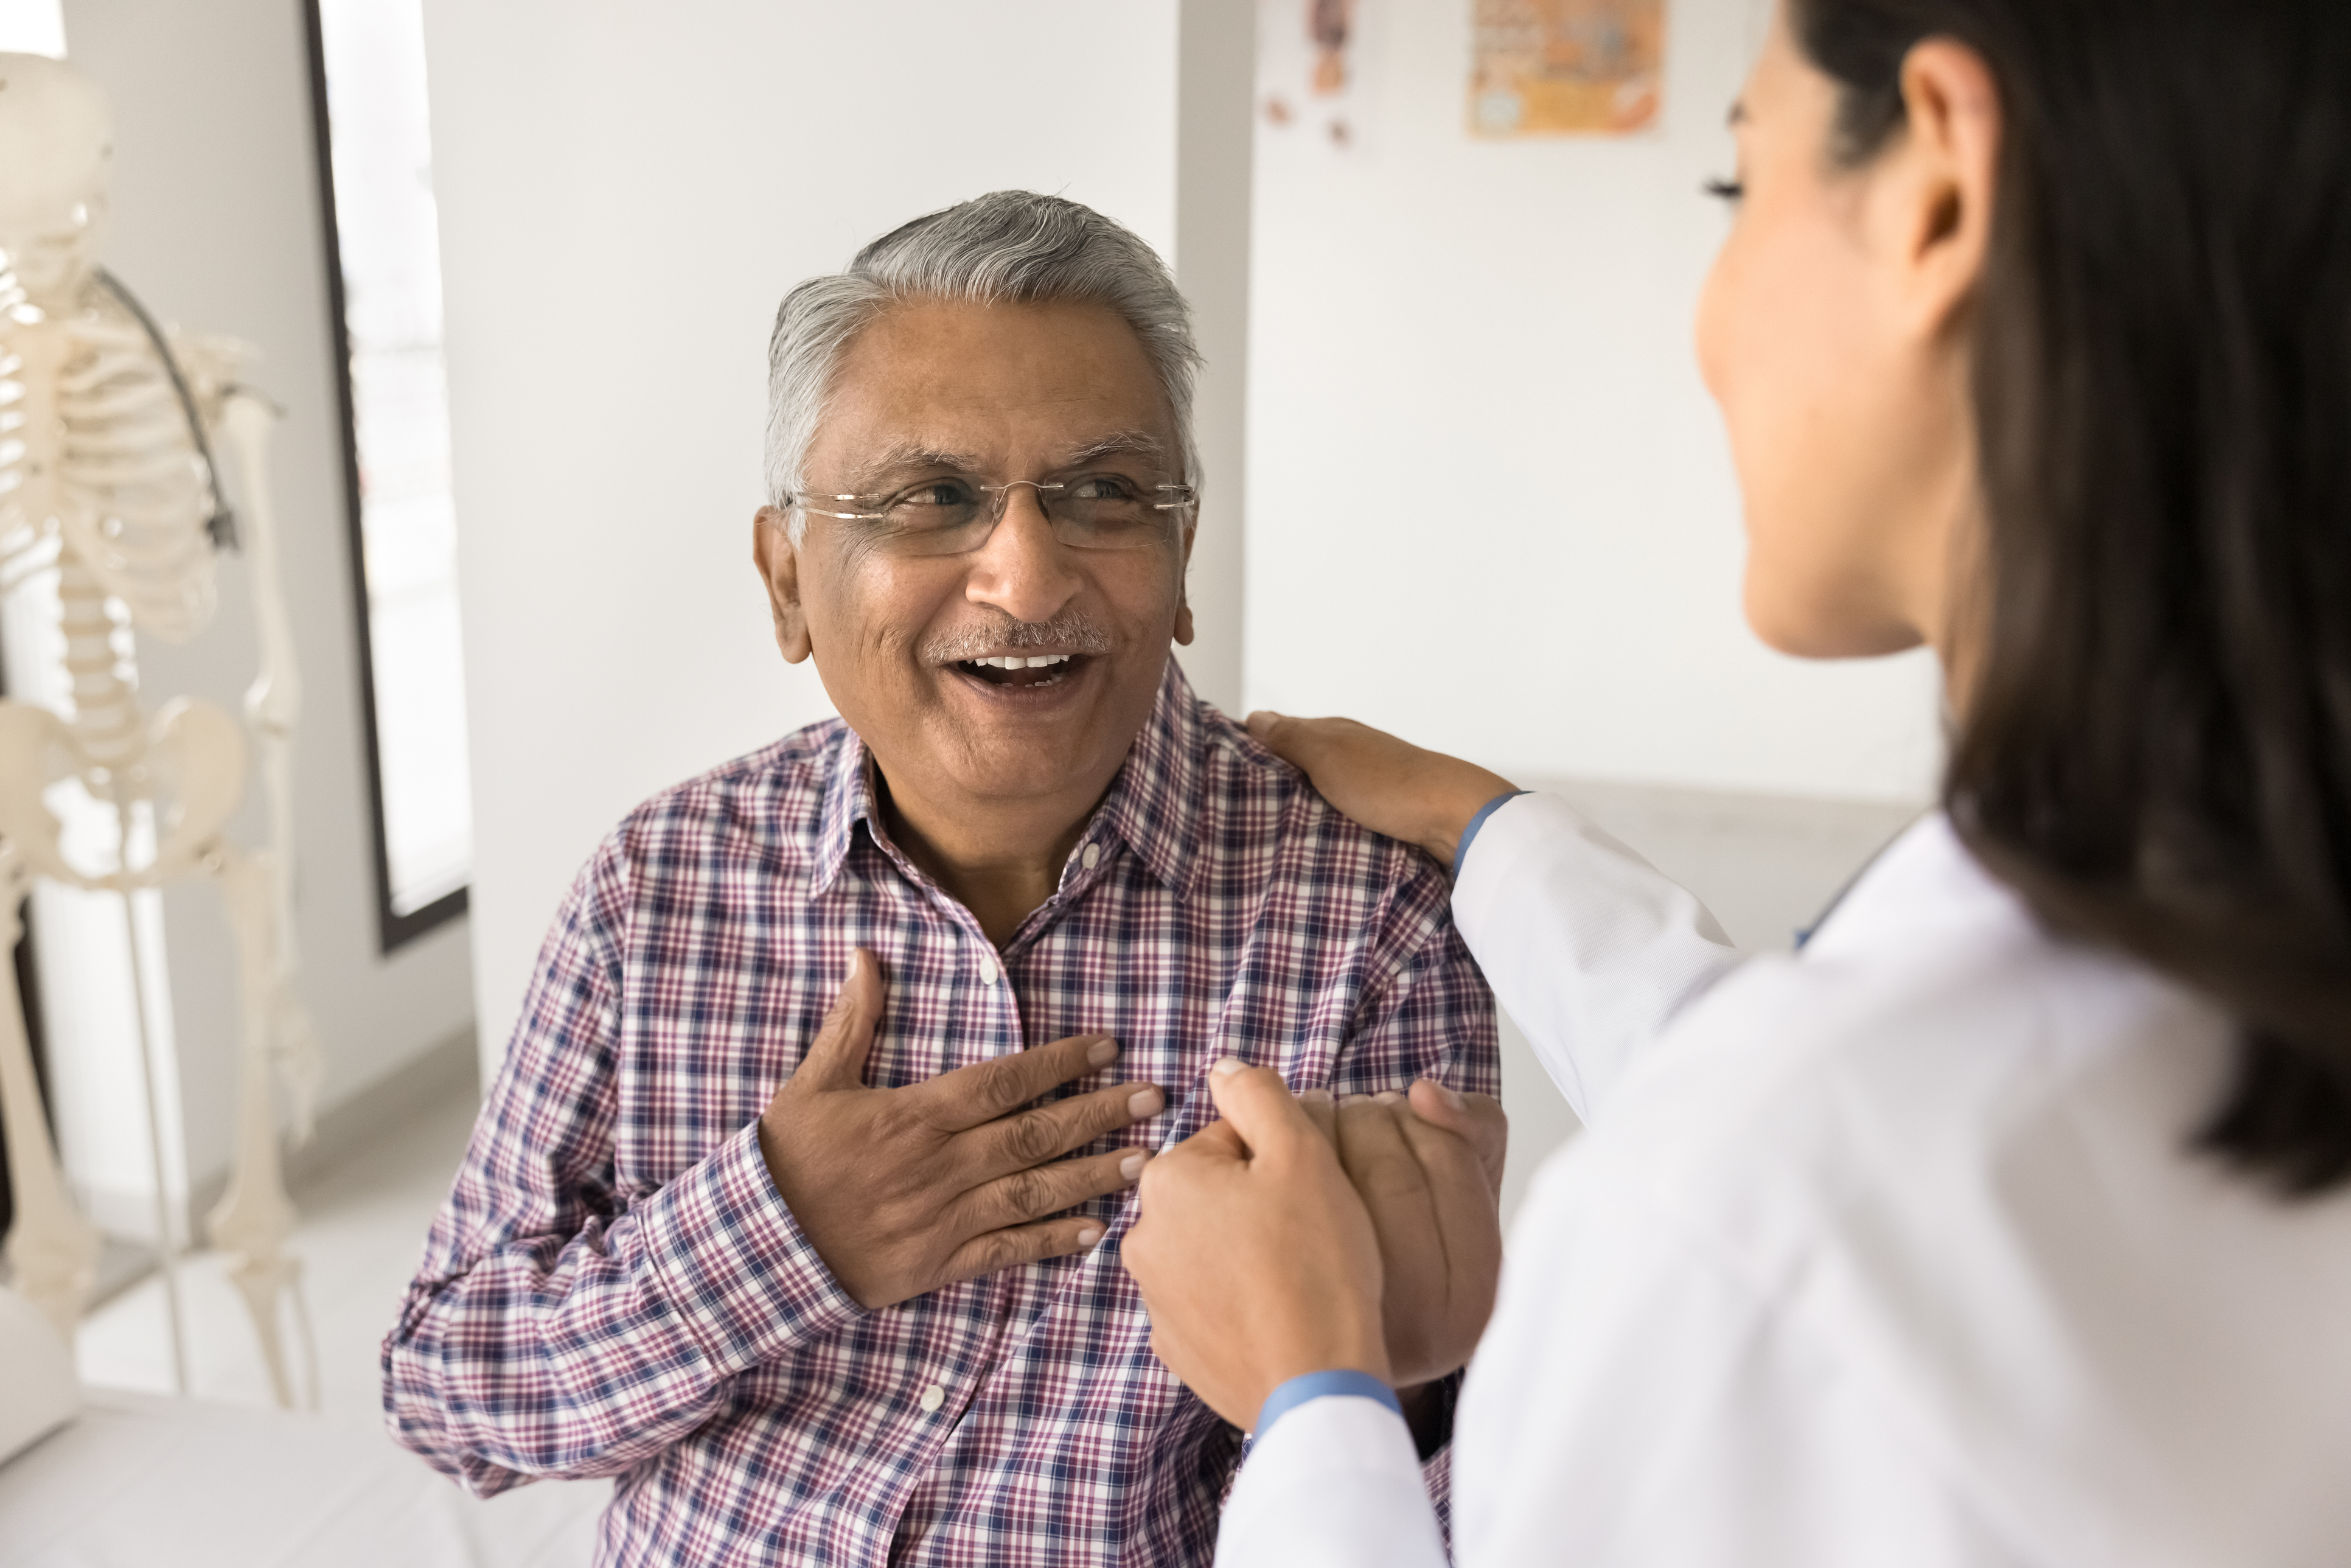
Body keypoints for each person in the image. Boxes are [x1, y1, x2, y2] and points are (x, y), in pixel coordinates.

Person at [1122, 2, 2351, 1564]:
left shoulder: (1767, 1204)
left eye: (1736, 188)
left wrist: (1313, 1393)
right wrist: (1490, 828)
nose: (1708, 318)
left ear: (1938, 195)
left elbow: (1789, 1190)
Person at [381, 193, 1499, 1566]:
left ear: (1184, 557)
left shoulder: (1369, 925)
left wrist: (1425, 1397)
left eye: (1104, 493)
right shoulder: (660, 885)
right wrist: (778, 1233)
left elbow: (1419, 1501)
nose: (1026, 577)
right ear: (788, 579)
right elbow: (448, 1393)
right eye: (932, 498)